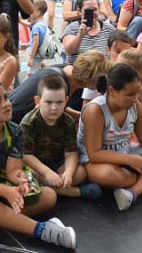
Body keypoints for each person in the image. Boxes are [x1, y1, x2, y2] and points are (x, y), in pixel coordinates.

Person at [0, 79, 77, 249]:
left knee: (49, 196)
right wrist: (7, 191)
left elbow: (13, 170)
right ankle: (42, 230)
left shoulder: (15, 130)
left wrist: (20, 180)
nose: (6, 104)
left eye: (6, 97)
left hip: (1, 184)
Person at [78, 63, 142, 211]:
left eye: (137, 93)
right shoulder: (95, 110)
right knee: (108, 175)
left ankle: (131, 193)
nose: (135, 99)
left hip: (126, 151)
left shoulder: (135, 106)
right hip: (99, 160)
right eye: (130, 95)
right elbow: (94, 154)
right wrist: (130, 160)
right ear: (112, 91)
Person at [20, 73, 101, 201]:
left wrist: (68, 173)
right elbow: (26, 156)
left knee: (80, 173)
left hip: (57, 163)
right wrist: (47, 173)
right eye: (48, 102)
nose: (54, 108)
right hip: (36, 166)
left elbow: (71, 152)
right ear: (38, 101)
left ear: (66, 101)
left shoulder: (68, 122)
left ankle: (50, 186)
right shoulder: (29, 122)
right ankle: (75, 192)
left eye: (59, 102)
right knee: (27, 174)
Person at [10, 50, 112, 122]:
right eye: (102, 78)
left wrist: (81, 116)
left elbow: (58, 106)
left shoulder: (66, 71)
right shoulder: (57, 82)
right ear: (91, 77)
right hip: (14, 119)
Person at [62, 0, 116, 66]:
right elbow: (70, 50)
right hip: (77, 70)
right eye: (88, 10)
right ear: (79, 11)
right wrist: (80, 36)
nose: (92, 13)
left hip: (102, 70)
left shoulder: (109, 29)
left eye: (95, 9)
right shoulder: (72, 28)